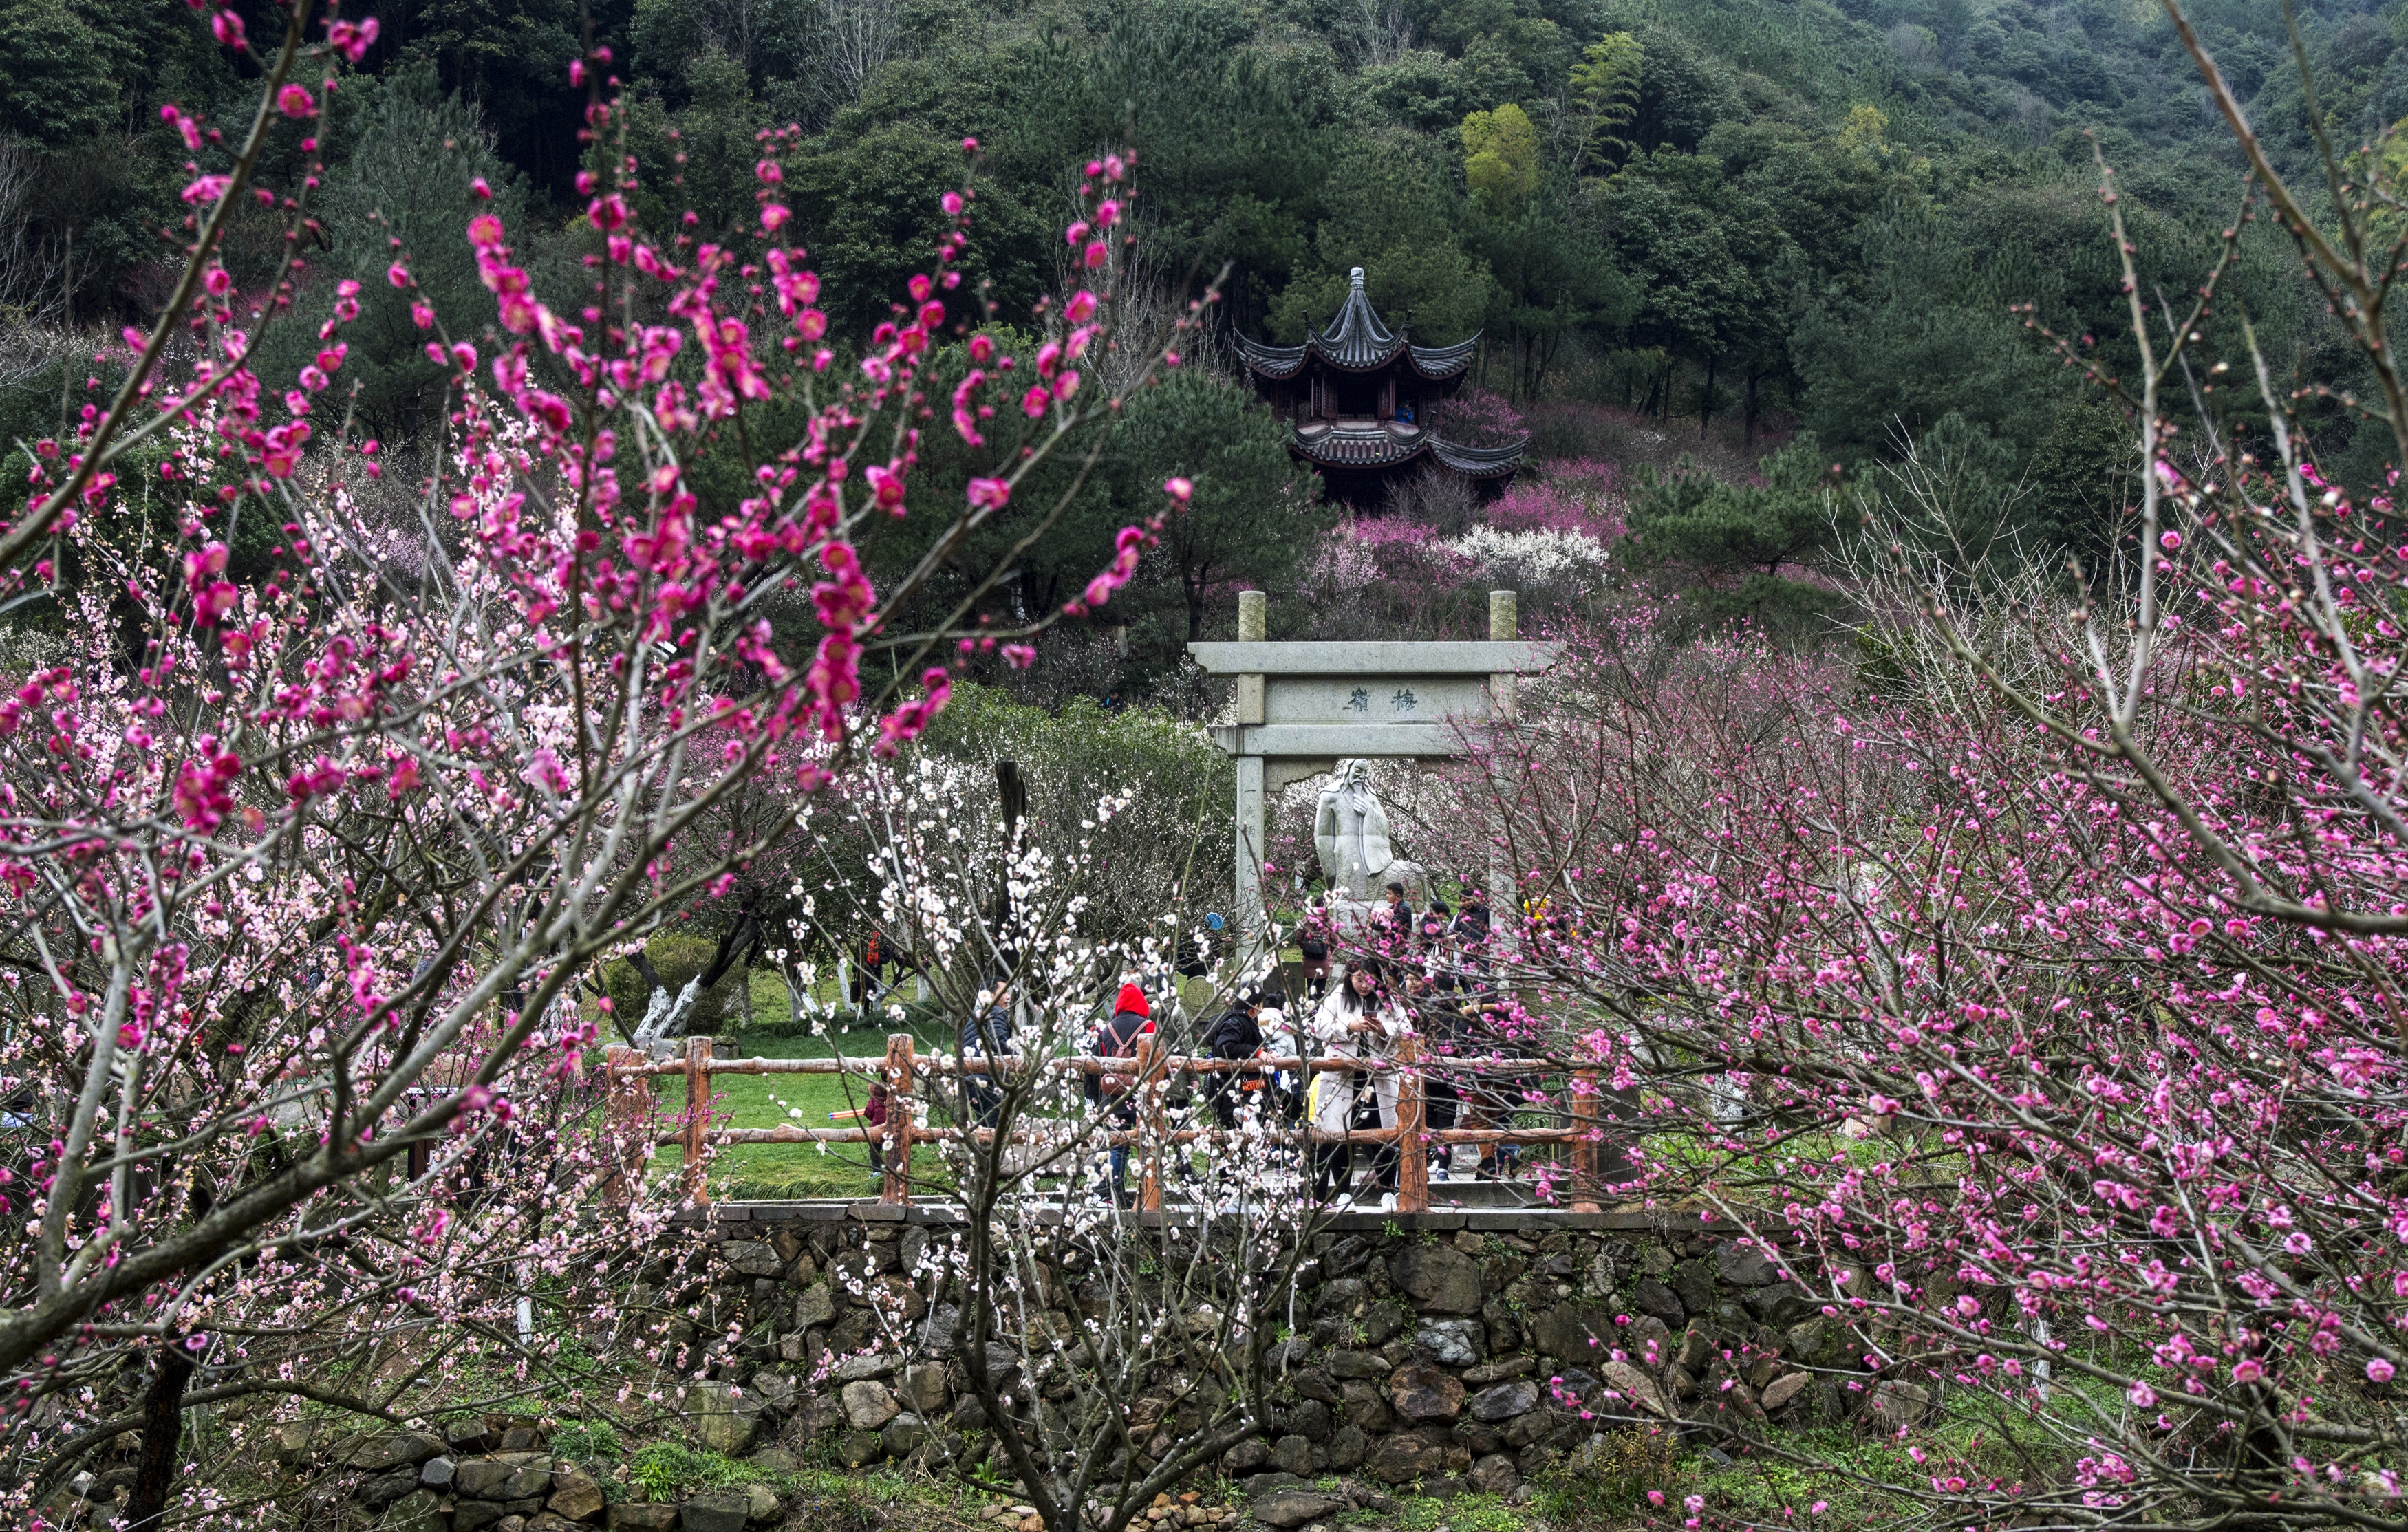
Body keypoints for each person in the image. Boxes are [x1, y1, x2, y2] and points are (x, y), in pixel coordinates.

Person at [1307, 958, 1412, 1208]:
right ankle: (1343, 1192)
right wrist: (1350, 1026)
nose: (1365, 986)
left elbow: (1406, 1030)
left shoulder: (1389, 1001)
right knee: (1340, 1133)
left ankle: (1388, 1191)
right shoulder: (1337, 998)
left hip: (1378, 1079)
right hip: (1343, 1076)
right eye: (1359, 979)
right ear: (1349, 977)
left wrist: (1383, 1029)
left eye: (1370, 980)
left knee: (1385, 1133)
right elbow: (1319, 1028)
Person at [1088, 980, 1154, 1205]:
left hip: (1113, 1094)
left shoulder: (1107, 1029)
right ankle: (1143, 1196)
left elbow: (1105, 1058)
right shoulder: (1148, 1026)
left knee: (1119, 1143)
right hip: (1141, 1093)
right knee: (1148, 1144)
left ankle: (1114, 1192)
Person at [1203, 984, 1268, 1128]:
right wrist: (1257, 1052)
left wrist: (1265, 1051)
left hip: (1243, 1089)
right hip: (1236, 1090)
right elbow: (1225, 1046)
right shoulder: (1236, 1022)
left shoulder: (1244, 1021)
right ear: (1255, 1007)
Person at [961, 984, 1013, 1130]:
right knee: (998, 1134)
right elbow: (997, 1041)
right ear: (990, 995)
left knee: (983, 1133)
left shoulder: (976, 1014)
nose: (1008, 997)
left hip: (972, 1083)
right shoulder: (995, 1010)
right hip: (990, 1083)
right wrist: (1018, 1058)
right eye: (1004, 992)